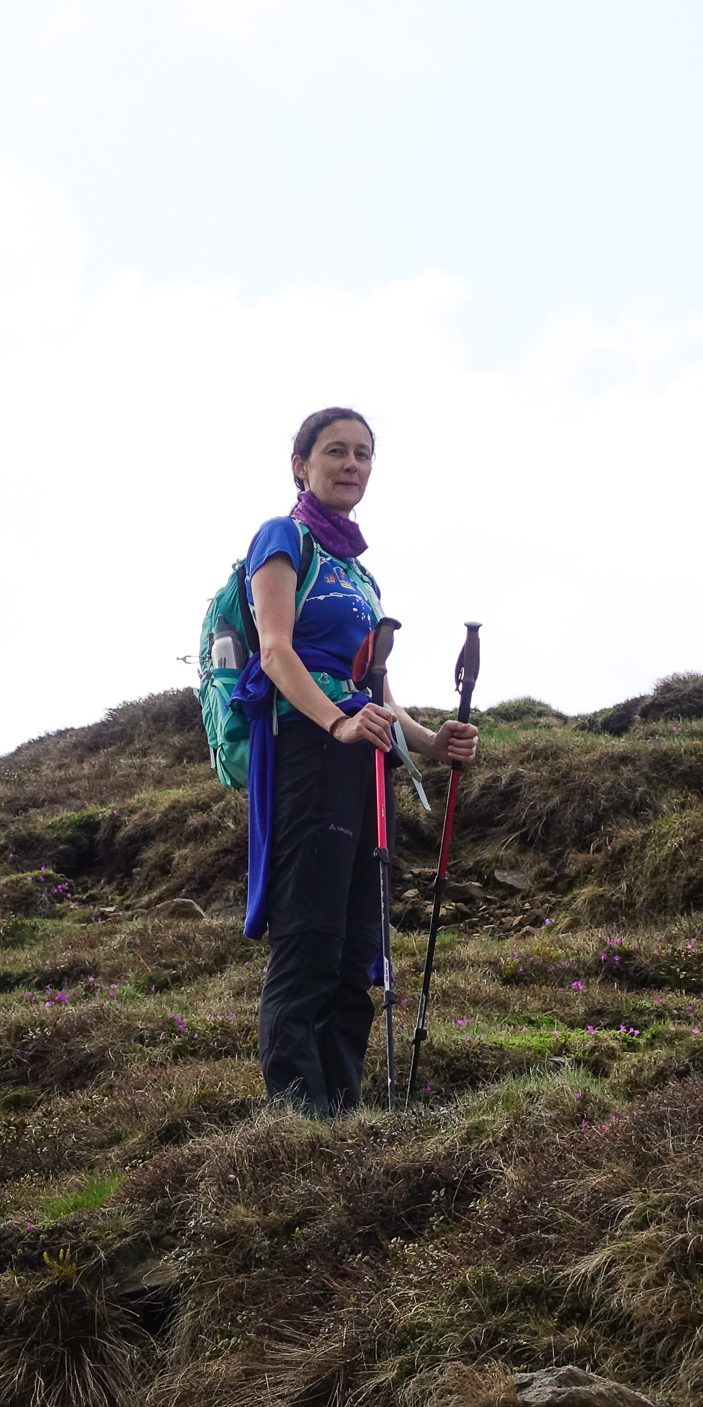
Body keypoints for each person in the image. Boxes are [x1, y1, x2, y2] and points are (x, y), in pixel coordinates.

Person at [237, 408, 479, 1115]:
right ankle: (297, 1115)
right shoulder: (282, 538)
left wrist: (430, 743)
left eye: (363, 454)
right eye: (335, 451)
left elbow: (379, 692)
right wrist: (338, 721)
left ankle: (341, 1116)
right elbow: (275, 651)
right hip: (308, 754)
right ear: (300, 466)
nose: (351, 465)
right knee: (309, 939)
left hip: (364, 764)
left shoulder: (361, 576)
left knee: (354, 949)